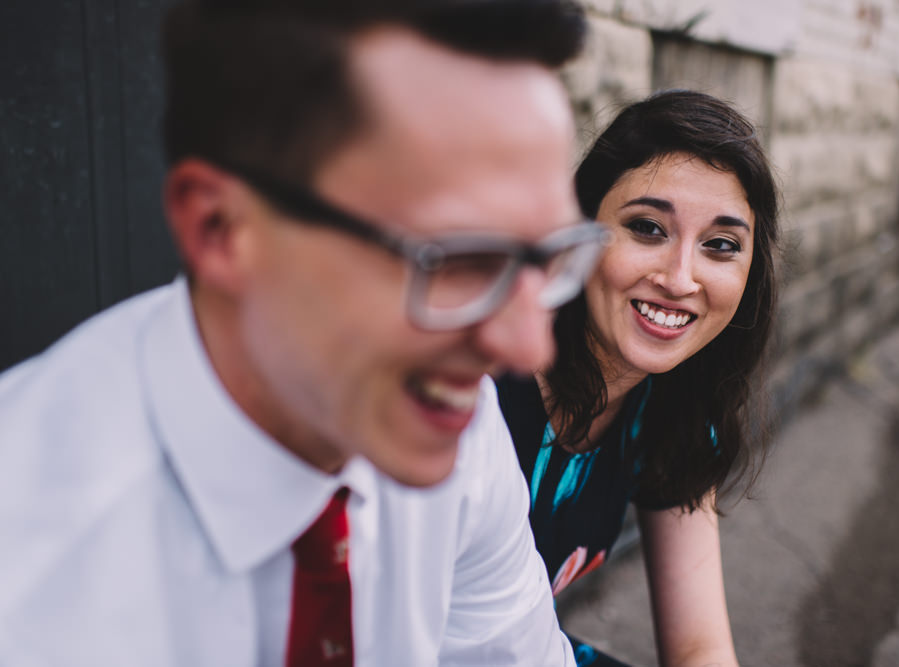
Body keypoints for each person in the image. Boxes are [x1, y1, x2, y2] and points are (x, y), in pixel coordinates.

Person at [0, 1, 606, 664]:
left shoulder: (455, 421)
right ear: (221, 230)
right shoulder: (29, 576)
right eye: (457, 259)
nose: (528, 348)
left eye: (545, 255)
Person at [497, 89, 781, 666]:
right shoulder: (486, 385)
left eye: (721, 246)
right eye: (648, 228)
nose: (680, 279)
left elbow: (700, 644)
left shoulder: (674, 412)